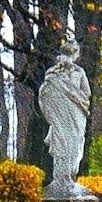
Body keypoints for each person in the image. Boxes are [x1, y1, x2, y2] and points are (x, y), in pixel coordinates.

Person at [38, 35, 90, 190]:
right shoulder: (53, 74)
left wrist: (74, 98)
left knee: (74, 143)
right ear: (75, 54)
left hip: (75, 116)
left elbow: (85, 94)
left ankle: (69, 176)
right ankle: (61, 178)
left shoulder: (79, 72)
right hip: (61, 119)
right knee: (61, 143)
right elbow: (45, 96)